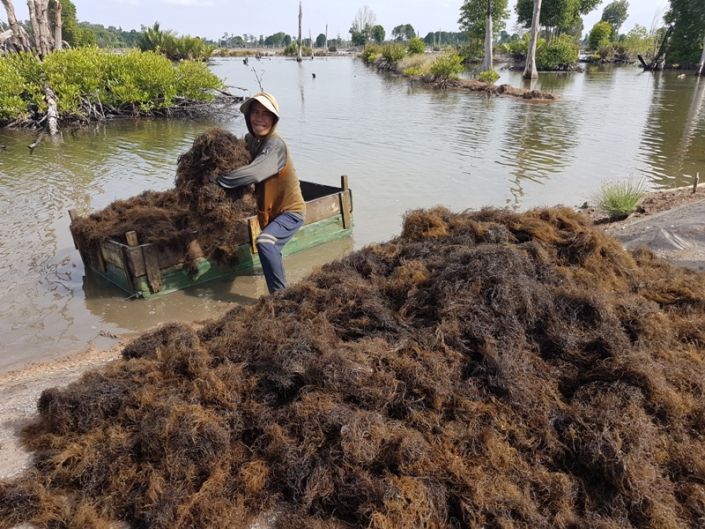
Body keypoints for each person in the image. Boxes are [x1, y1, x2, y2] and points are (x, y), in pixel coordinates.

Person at [208, 92, 305, 294]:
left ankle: (280, 298)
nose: (259, 118)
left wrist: (218, 181)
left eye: (266, 114)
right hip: (270, 213)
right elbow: (238, 155)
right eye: (255, 112)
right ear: (248, 116)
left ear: (274, 119)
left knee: (265, 242)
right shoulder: (252, 142)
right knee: (271, 247)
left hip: (290, 212)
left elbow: (253, 174)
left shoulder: (275, 145)